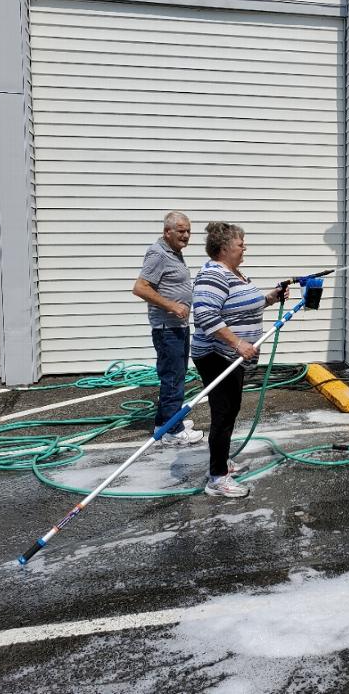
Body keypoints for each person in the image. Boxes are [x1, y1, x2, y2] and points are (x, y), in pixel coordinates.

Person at [191, 222, 288, 498]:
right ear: (223, 248)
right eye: (240, 244)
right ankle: (217, 479)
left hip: (230, 356)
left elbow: (243, 305)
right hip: (216, 354)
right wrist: (238, 343)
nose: (245, 247)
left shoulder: (233, 272)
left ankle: (221, 463)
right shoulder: (213, 274)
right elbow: (205, 316)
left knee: (230, 411)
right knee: (223, 414)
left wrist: (271, 297)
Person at [132, 211, 204, 446]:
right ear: (167, 232)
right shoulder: (159, 254)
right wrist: (171, 305)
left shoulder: (174, 253)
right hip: (167, 328)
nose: (186, 235)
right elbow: (141, 288)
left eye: (188, 231)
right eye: (181, 230)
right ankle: (173, 431)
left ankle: (167, 421)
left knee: (178, 375)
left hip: (178, 326)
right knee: (173, 377)